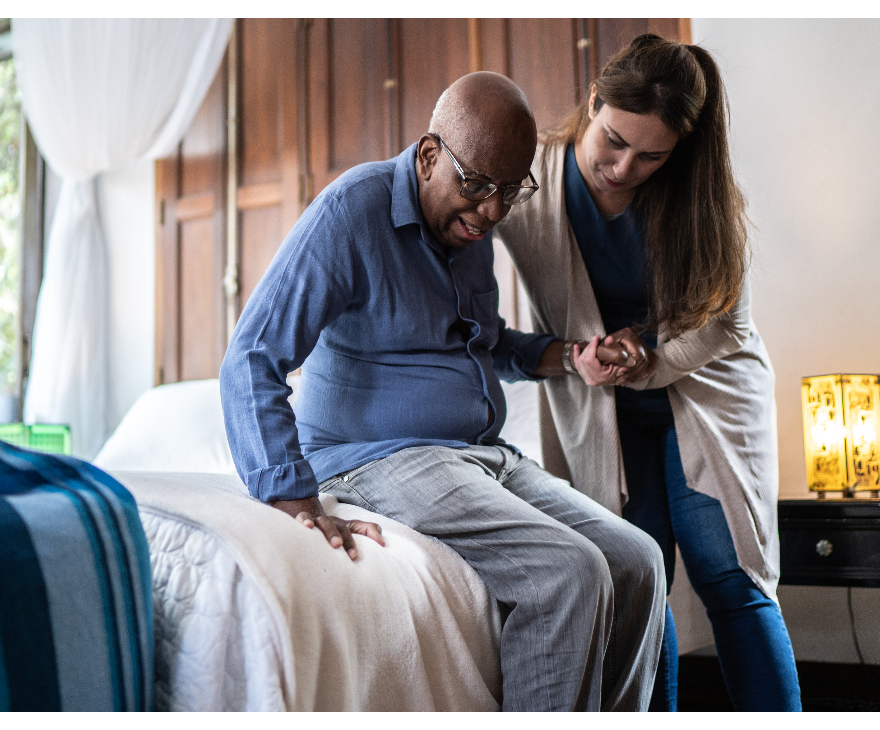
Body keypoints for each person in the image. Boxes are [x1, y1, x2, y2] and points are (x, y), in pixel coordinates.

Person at [220, 71, 666, 711]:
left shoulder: (467, 229)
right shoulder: (353, 213)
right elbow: (252, 354)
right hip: (378, 456)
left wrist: (568, 355)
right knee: (568, 574)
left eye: (509, 191)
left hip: (481, 457)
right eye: (477, 185)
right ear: (429, 155)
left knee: (637, 560)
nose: (490, 211)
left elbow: (484, 343)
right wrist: (293, 497)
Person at [494, 34, 801, 711]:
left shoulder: (702, 194)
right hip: (603, 406)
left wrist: (646, 356)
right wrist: (571, 356)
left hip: (708, 391)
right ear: (594, 102)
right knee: (638, 575)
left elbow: (727, 324)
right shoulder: (532, 180)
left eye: (651, 155)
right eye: (613, 141)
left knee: (729, 575)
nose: (624, 167)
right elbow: (460, 256)